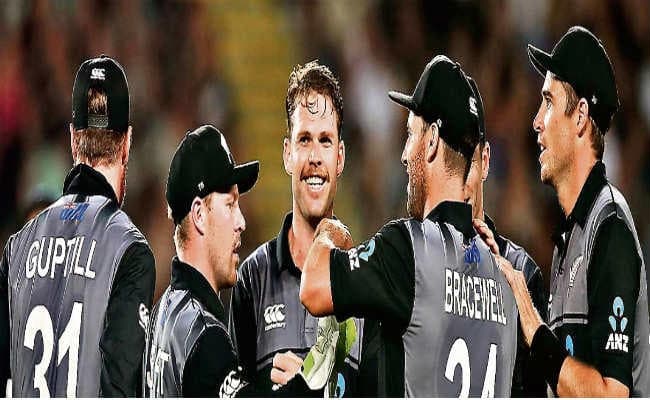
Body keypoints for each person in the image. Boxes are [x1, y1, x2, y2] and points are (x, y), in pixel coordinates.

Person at [300, 55, 519, 397]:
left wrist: (329, 233)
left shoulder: (409, 248)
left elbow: (313, 287)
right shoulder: (506, 276)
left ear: (431, 141)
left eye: (410, 135)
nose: (404, 154)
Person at [476, 25, 649, 397]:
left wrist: (535, 327)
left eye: (549, 102)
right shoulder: (571, 239)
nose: (536, 120)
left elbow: (612, 394)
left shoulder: (609, 228)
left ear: (581, 116)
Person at [0, 55, 155, 396]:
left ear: (72, 138)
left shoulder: (17, 247)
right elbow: (120, 388)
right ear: (127, 143)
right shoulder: (128, 251)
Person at [228, 61, 364, 397]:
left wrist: (310, 386)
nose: (315, 156)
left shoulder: (365, 285)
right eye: (304, 139)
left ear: (340, 157)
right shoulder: (253, 279)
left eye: (325, 140)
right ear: (288, 154)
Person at [144, 125, 261, 397]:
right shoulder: (204, 336)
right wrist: (309, 374)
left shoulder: (161, 312)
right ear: (199, 214)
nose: (241, 222)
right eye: (230, 205)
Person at [464, 77, 548, 397]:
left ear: (485, 161)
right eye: (449, 161)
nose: (458, 180)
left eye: (467, 161)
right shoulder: (412, 260)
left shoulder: (522, 272)